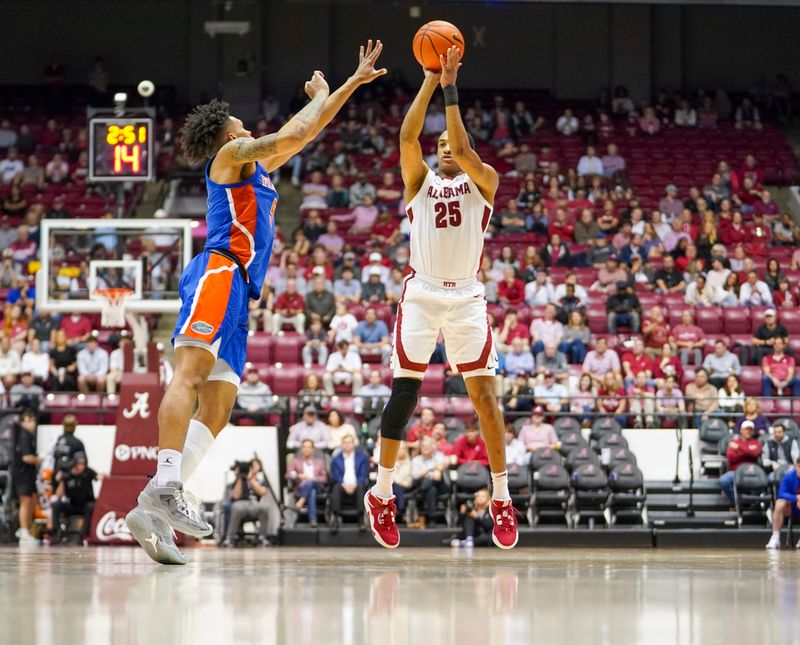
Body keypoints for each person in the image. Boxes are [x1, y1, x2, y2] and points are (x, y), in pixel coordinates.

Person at [125, 40, 387, 565]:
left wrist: (349, 85)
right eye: (242, 123)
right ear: (226, 132)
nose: (249, 127)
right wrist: (318, 94)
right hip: (218, 271)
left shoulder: (259, 169)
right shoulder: (230, 156)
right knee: (191, 376)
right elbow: (292, 130)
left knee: (219, 405)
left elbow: (305, 132)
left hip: (242, 290)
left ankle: (152, 507)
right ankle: (166, 485)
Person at [363, 48, 517, 551]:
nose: (446, 147)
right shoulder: (420, 182)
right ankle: (382, 492)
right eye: (442, 143)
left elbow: (469, 152)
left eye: (454, 142)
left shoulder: (484, 182)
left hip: (469, 297)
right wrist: (431, 80)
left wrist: (453, 90)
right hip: (423, 292)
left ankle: (500, 496)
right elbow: (407, 137)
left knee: (486, 403)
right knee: (405, 395)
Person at [49, 452, 101, 545]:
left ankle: (83, 535)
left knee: (91, 506)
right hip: (72, 505)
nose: (81, 467)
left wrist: (104, 476)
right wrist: (61, 481)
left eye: (83, 464)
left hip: (85, 505)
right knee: (55, 504)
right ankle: (57, 533)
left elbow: (99, 477)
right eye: (79, 464)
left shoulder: (88, 472)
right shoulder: (67, 474)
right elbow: (58, 495)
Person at [223, 459, 275, 547]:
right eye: (252, 465)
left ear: (260, 467)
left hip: (254, 504)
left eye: (256, 465)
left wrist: (250, 479)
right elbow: (235, 496)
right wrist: (239, 478)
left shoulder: (261, 481)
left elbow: (262, 492)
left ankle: (262, 537)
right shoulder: (240, 480)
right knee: (236, 508)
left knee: (265, 508)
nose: (254, 467)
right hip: (240, 503)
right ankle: (229, 538)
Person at [329, 435, 369, 533]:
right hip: (342, 484)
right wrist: (344, 484)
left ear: (354, 444)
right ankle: (335, 518)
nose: (347, 445)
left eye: (349, 442)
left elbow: (363, 474)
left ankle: (361, 519)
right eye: (345, 442)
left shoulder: (362, 457)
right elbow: (335, 475)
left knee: (361, 487)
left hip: (357, 484)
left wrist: (356, 484)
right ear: (341, 445)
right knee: (336, 488)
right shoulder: (336, 459)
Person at [12, 410, 40, 544]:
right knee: (25, 501)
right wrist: (39, 460)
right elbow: (26, 457)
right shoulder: (23, 435)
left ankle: (26, 529)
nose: (33, 423)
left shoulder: (28, 436)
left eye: (34, 420)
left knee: (33, 500)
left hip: (28, 474)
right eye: (30, 420)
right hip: (22, 474)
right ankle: (23, 530)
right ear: (24, 421)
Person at [719, 420, 762, 505]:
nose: (748, 432)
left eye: (750, 430)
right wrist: (747, 452)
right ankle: (735, 502)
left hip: (752, 472)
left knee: (763, 480)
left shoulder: (756, 442)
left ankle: (753, 503)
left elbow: (755, 454)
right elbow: (731, 458)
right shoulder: (734, 442)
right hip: (736, 471)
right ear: (741, 430)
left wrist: (739, 449)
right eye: (746, 429)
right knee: (723, 481)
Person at [409, 436, 448, 529]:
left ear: (433, 447)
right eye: (423, 447)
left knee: (430, 482)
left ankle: (421, 490)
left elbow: (439, 473)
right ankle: (431, 519)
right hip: (428, 486)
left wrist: (426, 472)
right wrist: (432, 470)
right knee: (431, 490)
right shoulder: (416, 459)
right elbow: (415, 475)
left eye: (428, 446)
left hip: (439, 486)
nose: (425, 448)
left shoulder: (439, 455)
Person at [287, 439, 328, 528]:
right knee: (311, 492)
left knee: (311, 482)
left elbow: (324, 478)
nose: (306, 449)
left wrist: (312, 478)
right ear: (301, 449)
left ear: (313, 449)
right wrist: (298, 475)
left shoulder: (319, 462)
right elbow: (288, 475)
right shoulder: (296, 461)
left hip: (318, 487)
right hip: (301, 487)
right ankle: (313, 520)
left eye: (309, 447)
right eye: (304, 447)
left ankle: (301, 501)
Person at [765, 458, 800, 549]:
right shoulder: (789, 476)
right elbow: (781, 494)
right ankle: (775, 537)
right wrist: (796, 497)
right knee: (779, 503)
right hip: (790, 507)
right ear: (797, 466)